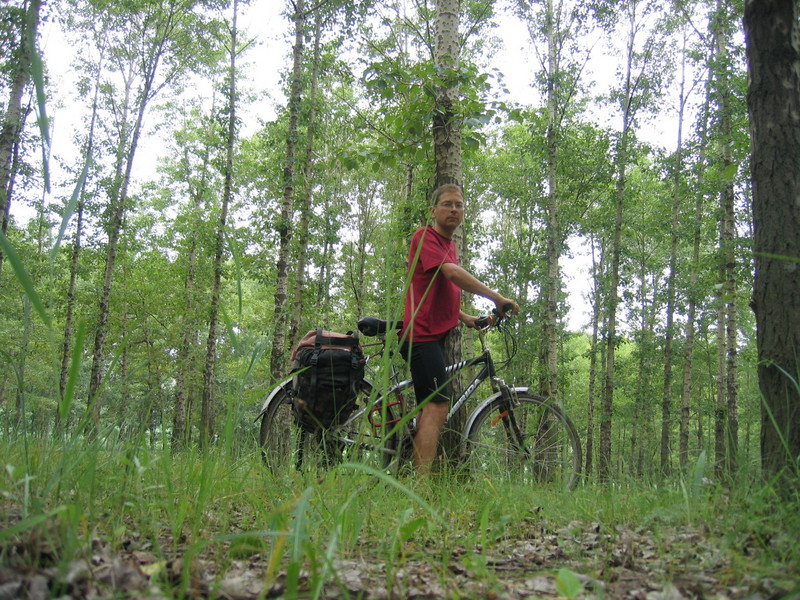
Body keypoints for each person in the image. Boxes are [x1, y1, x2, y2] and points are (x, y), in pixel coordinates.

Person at [399, 183, 520, 473]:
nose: (454, 209)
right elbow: (451, 273)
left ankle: (414, 470)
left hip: (432, 334)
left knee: (432, 405)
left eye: (459, 205)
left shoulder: (448, 245)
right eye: (447, 204)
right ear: (434, 211)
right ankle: (420, 486)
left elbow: (436, 289)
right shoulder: (425, 236)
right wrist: (497, 297)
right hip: (421, 336)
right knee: (438, 405)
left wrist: (464, 318)